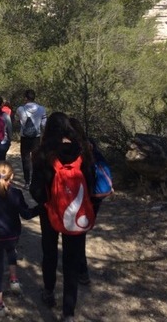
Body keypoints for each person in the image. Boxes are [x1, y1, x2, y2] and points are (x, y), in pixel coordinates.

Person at [29, 112, 95, 322]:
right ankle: (68, 313)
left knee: (49, 253)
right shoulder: (82, 151)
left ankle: (49, 293)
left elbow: (35, 190)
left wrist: (46, 201)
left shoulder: (42, 153)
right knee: (71, 261)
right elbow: (91, 184)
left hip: (50, 212)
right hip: (76, 213)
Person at [0, 161, 39, 317]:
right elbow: (26, 215)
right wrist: (42, 208)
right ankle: (14, 281)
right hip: (12, 234)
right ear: (12, 176)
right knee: (12, 252)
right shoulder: (17, 194)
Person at [69, 117, 104, 286]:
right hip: (96, 194)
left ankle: (81, 271)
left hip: (82, 196)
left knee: (77, 234)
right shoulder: (90, 144)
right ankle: (81, 271)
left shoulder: (73, 149)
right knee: (81, 233)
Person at [15, 89, 47, 190]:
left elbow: (16, 119)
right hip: (36, 138)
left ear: (25, 98)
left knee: (25, 160)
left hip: (25, 138)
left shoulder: (20, 109)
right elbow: (44, 124)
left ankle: (27, 182)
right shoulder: (42, 109)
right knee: (36, 159)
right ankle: (36, 181)